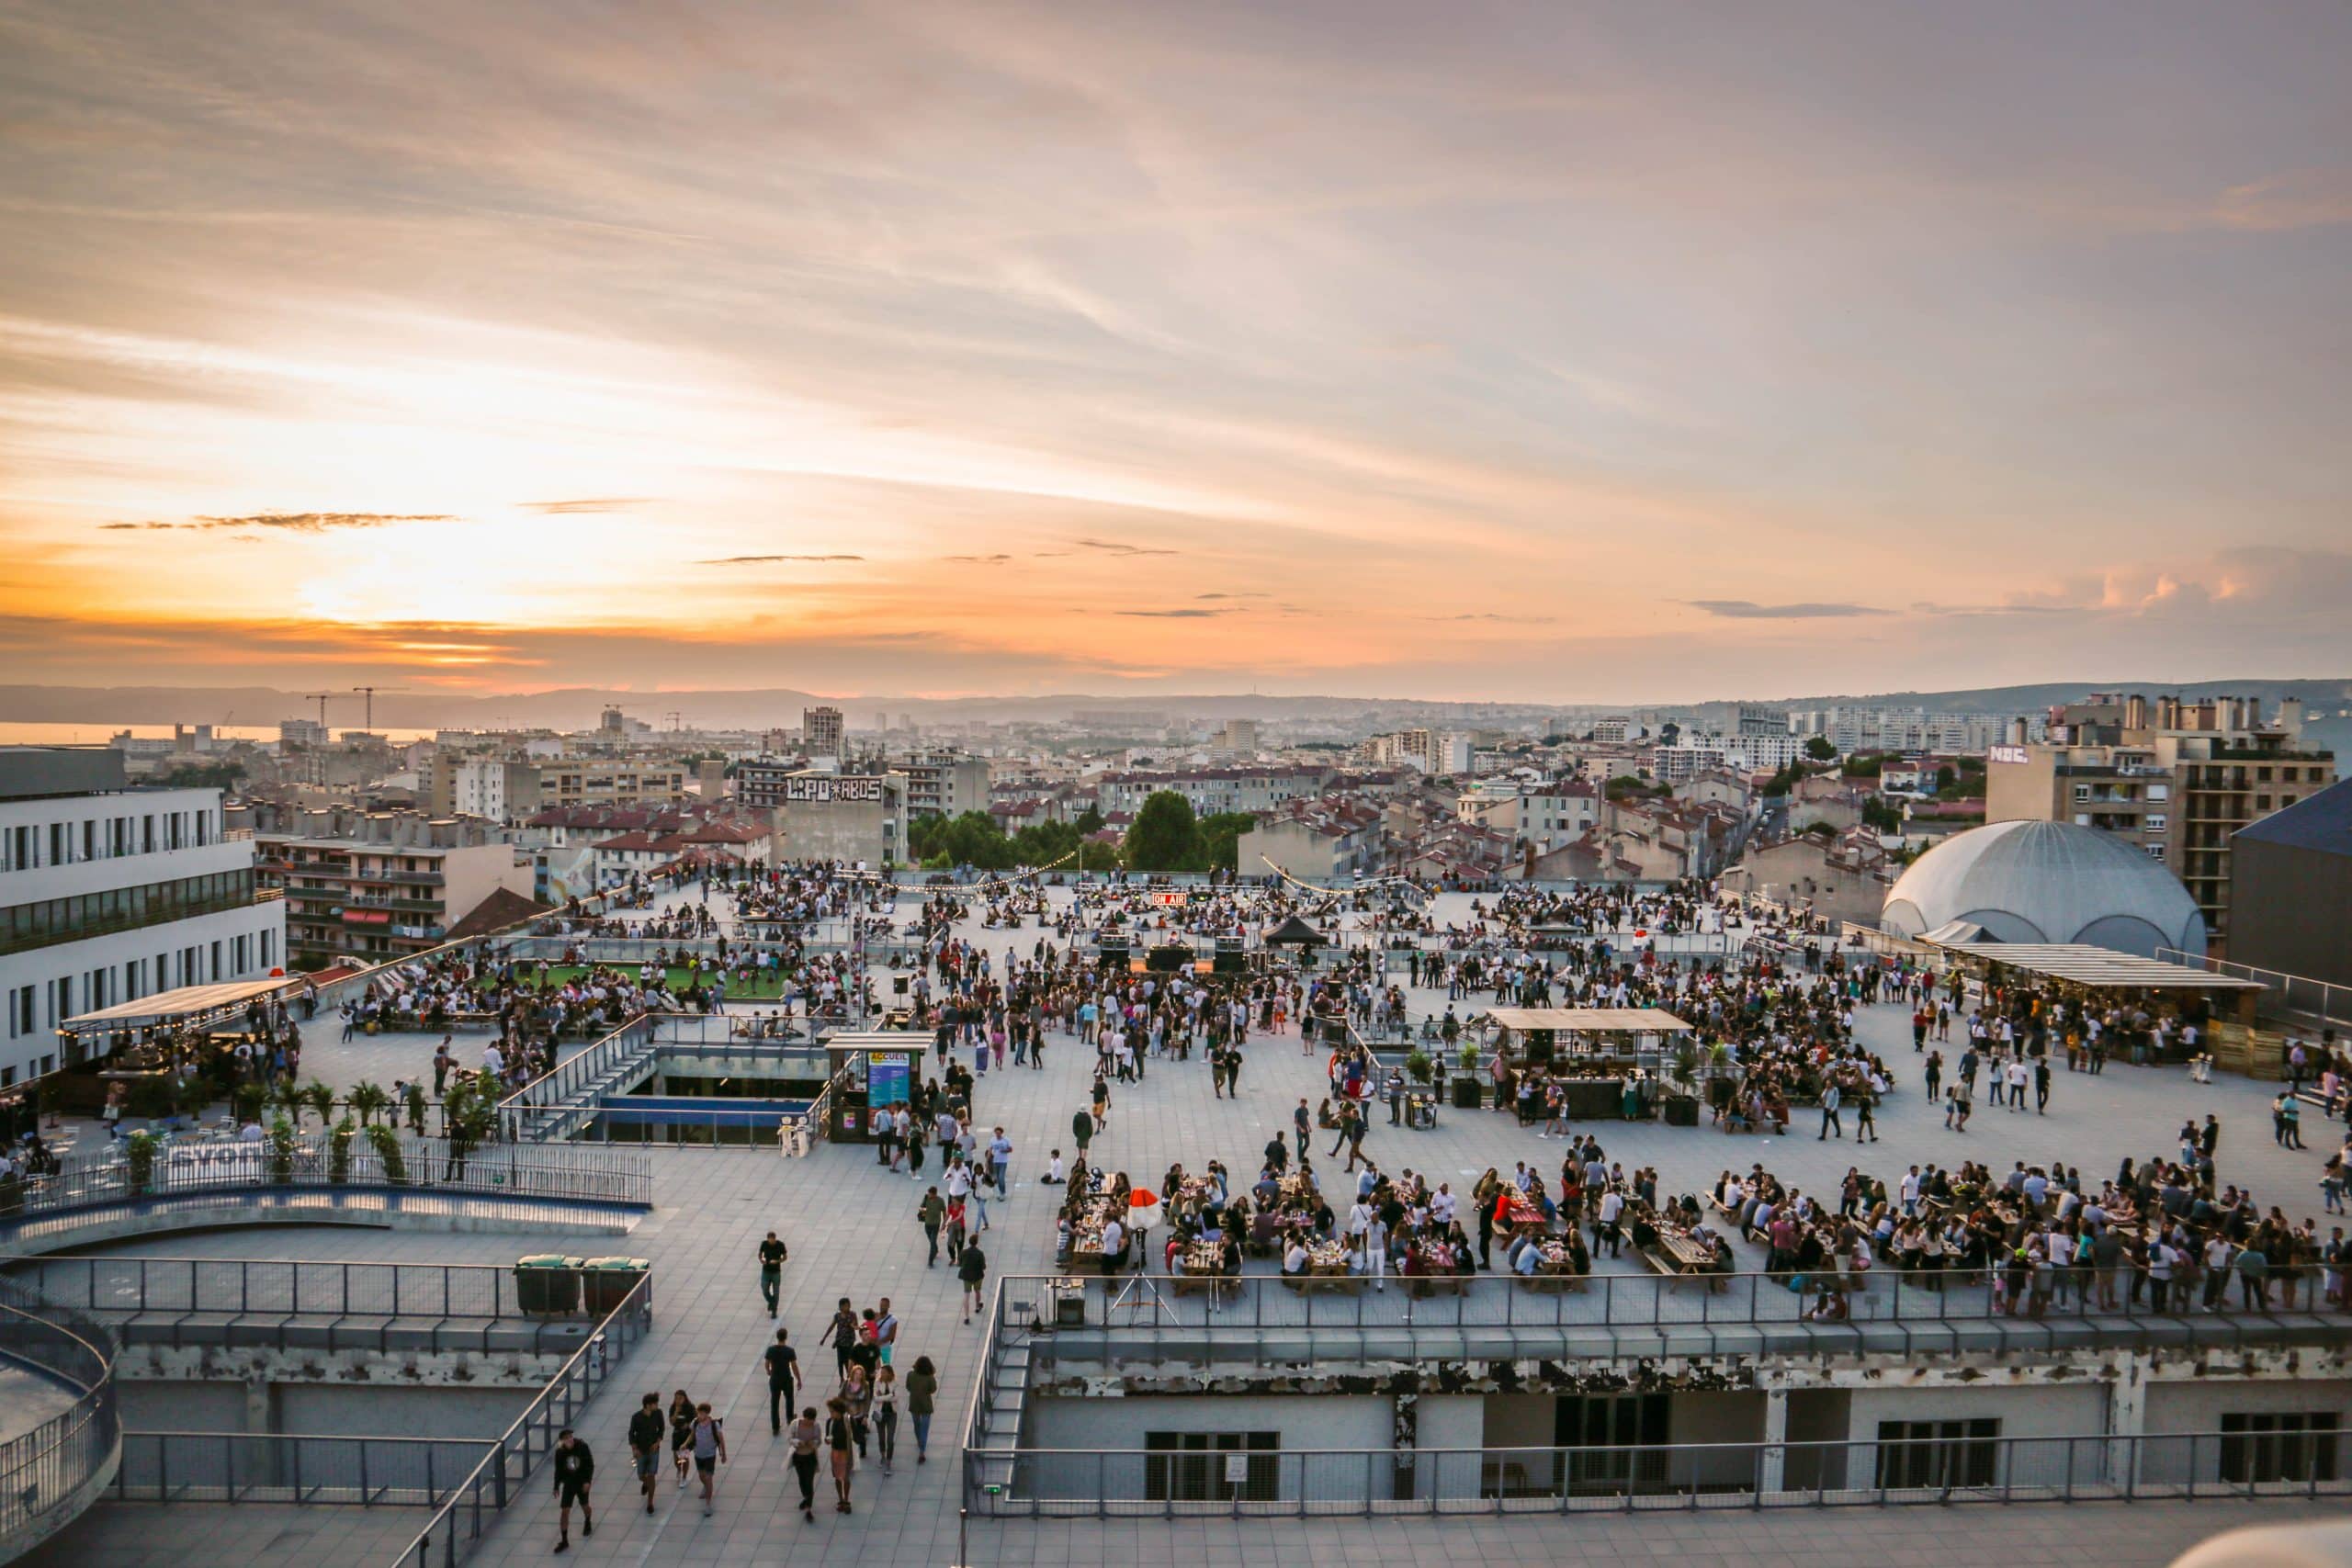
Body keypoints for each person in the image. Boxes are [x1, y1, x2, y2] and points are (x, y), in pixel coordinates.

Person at [551, 1427, 594, 1551]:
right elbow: (558, 1470)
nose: (569, 1440)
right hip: (569, 1484)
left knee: (585, 1505)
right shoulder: (560, 1453)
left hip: (581, 1482)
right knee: (565, 1510)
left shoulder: (582, 1447)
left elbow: (589, 1464)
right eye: (566, 1438)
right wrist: (556, 1486)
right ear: (562, 1441)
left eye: (570, 1437)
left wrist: (587, 1481)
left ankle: (588, 1520)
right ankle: (564, 1540)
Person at [627, 1393, 664, 1516]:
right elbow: (632, 1434)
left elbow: (661, 1429)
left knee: (652, 1475)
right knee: (641, 1475)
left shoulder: (658, 1414)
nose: (657, 1406)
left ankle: (650, 1502)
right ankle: (645, 1483)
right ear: (648, 1405)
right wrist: (635, 1449)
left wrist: (657, 1442)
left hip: (653, 1449)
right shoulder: (636, 1417)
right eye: (655, 1404)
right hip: (641, 1450)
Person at [689, 1402, 727, 1517]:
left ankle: (708, 1504)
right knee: (701, 1475)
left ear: (707, 1414)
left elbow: (721, 1439)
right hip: (698, 1454)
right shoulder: (695, 1423)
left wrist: (723, 1454)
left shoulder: (714, 1425)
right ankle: (705, 1486)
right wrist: (685, 1444)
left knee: (709, 1477)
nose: (699, 1416)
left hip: (710, 1455)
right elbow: (691, 1435)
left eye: (702, 1413)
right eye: (698, 1413)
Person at [787, 1405, 822, 1522]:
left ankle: (808, 1508)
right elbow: (790, 1439)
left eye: (811, 1422)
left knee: (809, 1481)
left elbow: (819, 1440)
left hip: (810, 1457)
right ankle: (806, 1497)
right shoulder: (795, 1424)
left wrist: (813, 1443)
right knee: (802, 1480)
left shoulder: (816, 1426)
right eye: (807, 1421)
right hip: (798, 1457)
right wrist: (798, 1442)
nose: (809, 1424)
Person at [764, 1326, 800, 1436]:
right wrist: (799, 1379)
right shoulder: (789, 1351)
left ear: (777, 1337)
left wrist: (769, 1371)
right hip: (786, 1378)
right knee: (789, 1399)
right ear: (786, 1337)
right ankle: (790, 1418)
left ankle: (775, 1426)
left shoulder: (771, 1350)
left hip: (775, 1379)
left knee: (774, 1402)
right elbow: (794, 1366)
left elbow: (767, 1363)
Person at [825, 1396, 856, 1514]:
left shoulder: (847, 1420)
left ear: (839, 1411)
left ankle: (846, 1500)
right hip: (835, 1451)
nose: (831, 1414)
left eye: (832, 1411)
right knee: (837, 1477)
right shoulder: (830, 1421)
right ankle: (841, 1499)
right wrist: (827, 1440)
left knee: (846, 1477)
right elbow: (827, 1436)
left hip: (846, 1451)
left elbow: (855, 1433)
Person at [906, 1355, 939, 1465]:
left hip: (914, 1404)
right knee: (924, 1428)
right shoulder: (930, 1378)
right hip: (926, 1405)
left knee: (917, 1425)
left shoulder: (910, 1375)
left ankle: (919, 1441)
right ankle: (922, 1451)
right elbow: (933, 1389)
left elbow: (908, 1387)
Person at [873, 1362, 900, 1475]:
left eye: (884, 1372)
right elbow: (876, 1398)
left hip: (891, 1414)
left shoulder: (895, 1383)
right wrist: (889, 1396)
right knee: (881, 1437)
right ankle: (882, 1455)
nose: (882, 1374)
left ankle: (889, 1460)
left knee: (890, 1439)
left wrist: (883, 1397)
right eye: (881, 1372)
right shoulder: (877, 1383)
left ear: (889, 1373)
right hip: (880, 1413)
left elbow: (896, 1398)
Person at [668, 1389, 695, 1487]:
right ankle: (679, 1469)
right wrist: (676, 1412)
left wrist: (688, 1425)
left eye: (680, 1398)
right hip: (677, 1434)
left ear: (685, 1398)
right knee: (677, 1459)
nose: (678, 1400)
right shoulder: (673, 1408)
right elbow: (671, 1422)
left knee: (684, 1458)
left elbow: (695, 1420)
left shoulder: (690, 1407)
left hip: (687, 1436)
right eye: (676, 1398)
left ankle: (684, 1477)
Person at [757, 1230, 787, 1317]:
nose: (771, 1241)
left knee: (776, 1291)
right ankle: (771, 1302)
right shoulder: (764, 1244)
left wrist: (777, 1261)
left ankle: (774, 1310)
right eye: (769, 1240)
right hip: (766, 1270)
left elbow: (785, 1257)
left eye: (772, 1240)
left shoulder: (780, 1245)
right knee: (764, 1289)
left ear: (774, 1239)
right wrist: (761, 1260)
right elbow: (760, 1254)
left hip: (776, 1272)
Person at [959, 1235, 989, 1323]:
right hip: (977, 1276)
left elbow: (960, 1263)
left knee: (966, 1295)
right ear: (976, 1242)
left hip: (967, 1276)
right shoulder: (980, 1253)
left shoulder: (964, 1252)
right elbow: (983, 1267)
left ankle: (966, 1317)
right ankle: (977, 1307)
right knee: (977, 1291)